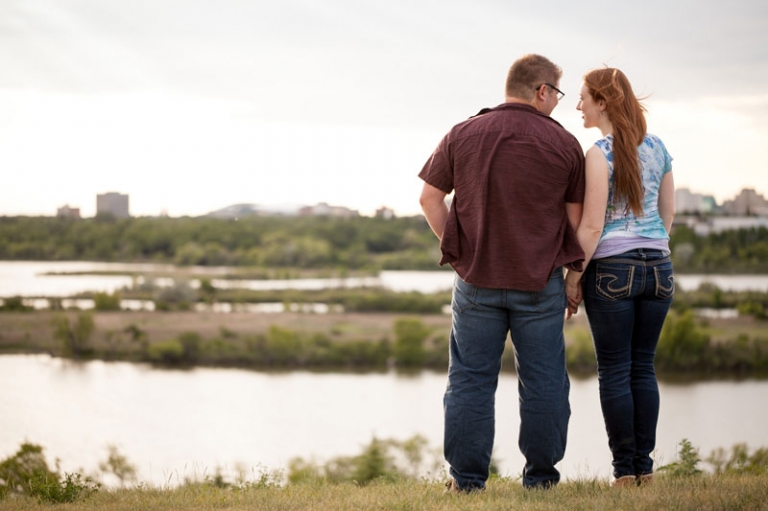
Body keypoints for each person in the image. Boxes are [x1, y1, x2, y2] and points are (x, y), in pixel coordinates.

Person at [418, 54, 585, 491]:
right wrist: (573, 275)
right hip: (540, 283)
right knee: (544, 381)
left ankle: (467, 481)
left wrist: (458, 252)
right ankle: (542, 480)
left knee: (470, 381)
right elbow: (574, 221)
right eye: (557, 94)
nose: (557, 104)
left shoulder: (463, 133)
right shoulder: (564, 144)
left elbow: (429, 199)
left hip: (476, 281)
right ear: (542, 90)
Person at [565, 67, 675, 487]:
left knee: (614, 370)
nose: (578, 106)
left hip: (612, 268)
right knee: (643, 368)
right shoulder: (659, 147)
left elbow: (591, 227)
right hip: (659, 267)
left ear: (603, 102)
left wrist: (573, 279)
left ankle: (624, 474)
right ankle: (644, 469)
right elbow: (668, 214)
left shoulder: (598, 153)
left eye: (583, 98)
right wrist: (653, 249)